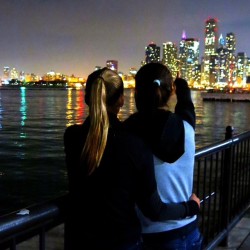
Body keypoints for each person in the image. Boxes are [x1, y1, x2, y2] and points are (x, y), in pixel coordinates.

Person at [63, 67, 200, 250]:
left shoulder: (71, 137)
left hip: (79, 239)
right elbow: (154, 209)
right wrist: (191, 207)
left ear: (88, 98)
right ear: (121, 99)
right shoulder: (134, 143)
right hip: (124, 240)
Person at [123, 62, 203, 250]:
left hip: (152, 236)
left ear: (137, 93)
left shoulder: (128, 132)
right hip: (190, 229)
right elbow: (186, 106)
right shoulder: (187, 129)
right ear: (170, 92)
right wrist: (181, 85)